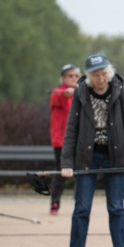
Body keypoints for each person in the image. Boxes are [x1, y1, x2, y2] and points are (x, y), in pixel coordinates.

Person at [60, 52, 124, 247]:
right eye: (96, 75)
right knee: (82, 207)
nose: (101, 79)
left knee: (116, 207)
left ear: (109, 72)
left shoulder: (122, 92)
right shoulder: (81, 93)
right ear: (89, 76)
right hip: (86, 157)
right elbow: (71, 129)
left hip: (115, 156)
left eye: (104, 74)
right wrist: (66, 163)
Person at [49, 64, 81, 215]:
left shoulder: (81, 93)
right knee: (60, 173)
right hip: (61, 141)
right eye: (70, 76)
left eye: (76, 76)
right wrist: (66, 94)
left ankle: (80, 202)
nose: (74, 78)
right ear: (63, 78)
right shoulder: (58, 92)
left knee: (80, 173)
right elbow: (58, 99)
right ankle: (55, 202)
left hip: (79, 141)